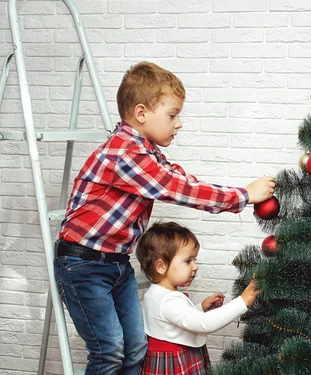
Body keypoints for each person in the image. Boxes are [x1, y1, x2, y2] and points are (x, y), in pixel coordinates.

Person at [53, 61, 275, 374]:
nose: (179, 123)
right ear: (141, 113)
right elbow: (177, 189)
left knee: (136, 348)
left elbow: (179, 177)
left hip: (116, 263)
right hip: (83, 264)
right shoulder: (124, 152)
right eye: (172, 115)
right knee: (110, 349)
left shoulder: (147, 152)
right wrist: (243, 195)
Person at [136, 221, 260, 375]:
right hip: (175, 363)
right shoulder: (168, 300)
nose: (195, 266)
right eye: (188, 261)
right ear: (161, 266)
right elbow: (203, 324)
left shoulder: (155, 293)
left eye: (195, 260)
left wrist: (200, 307)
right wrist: (241, 302)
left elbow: (172, 325)